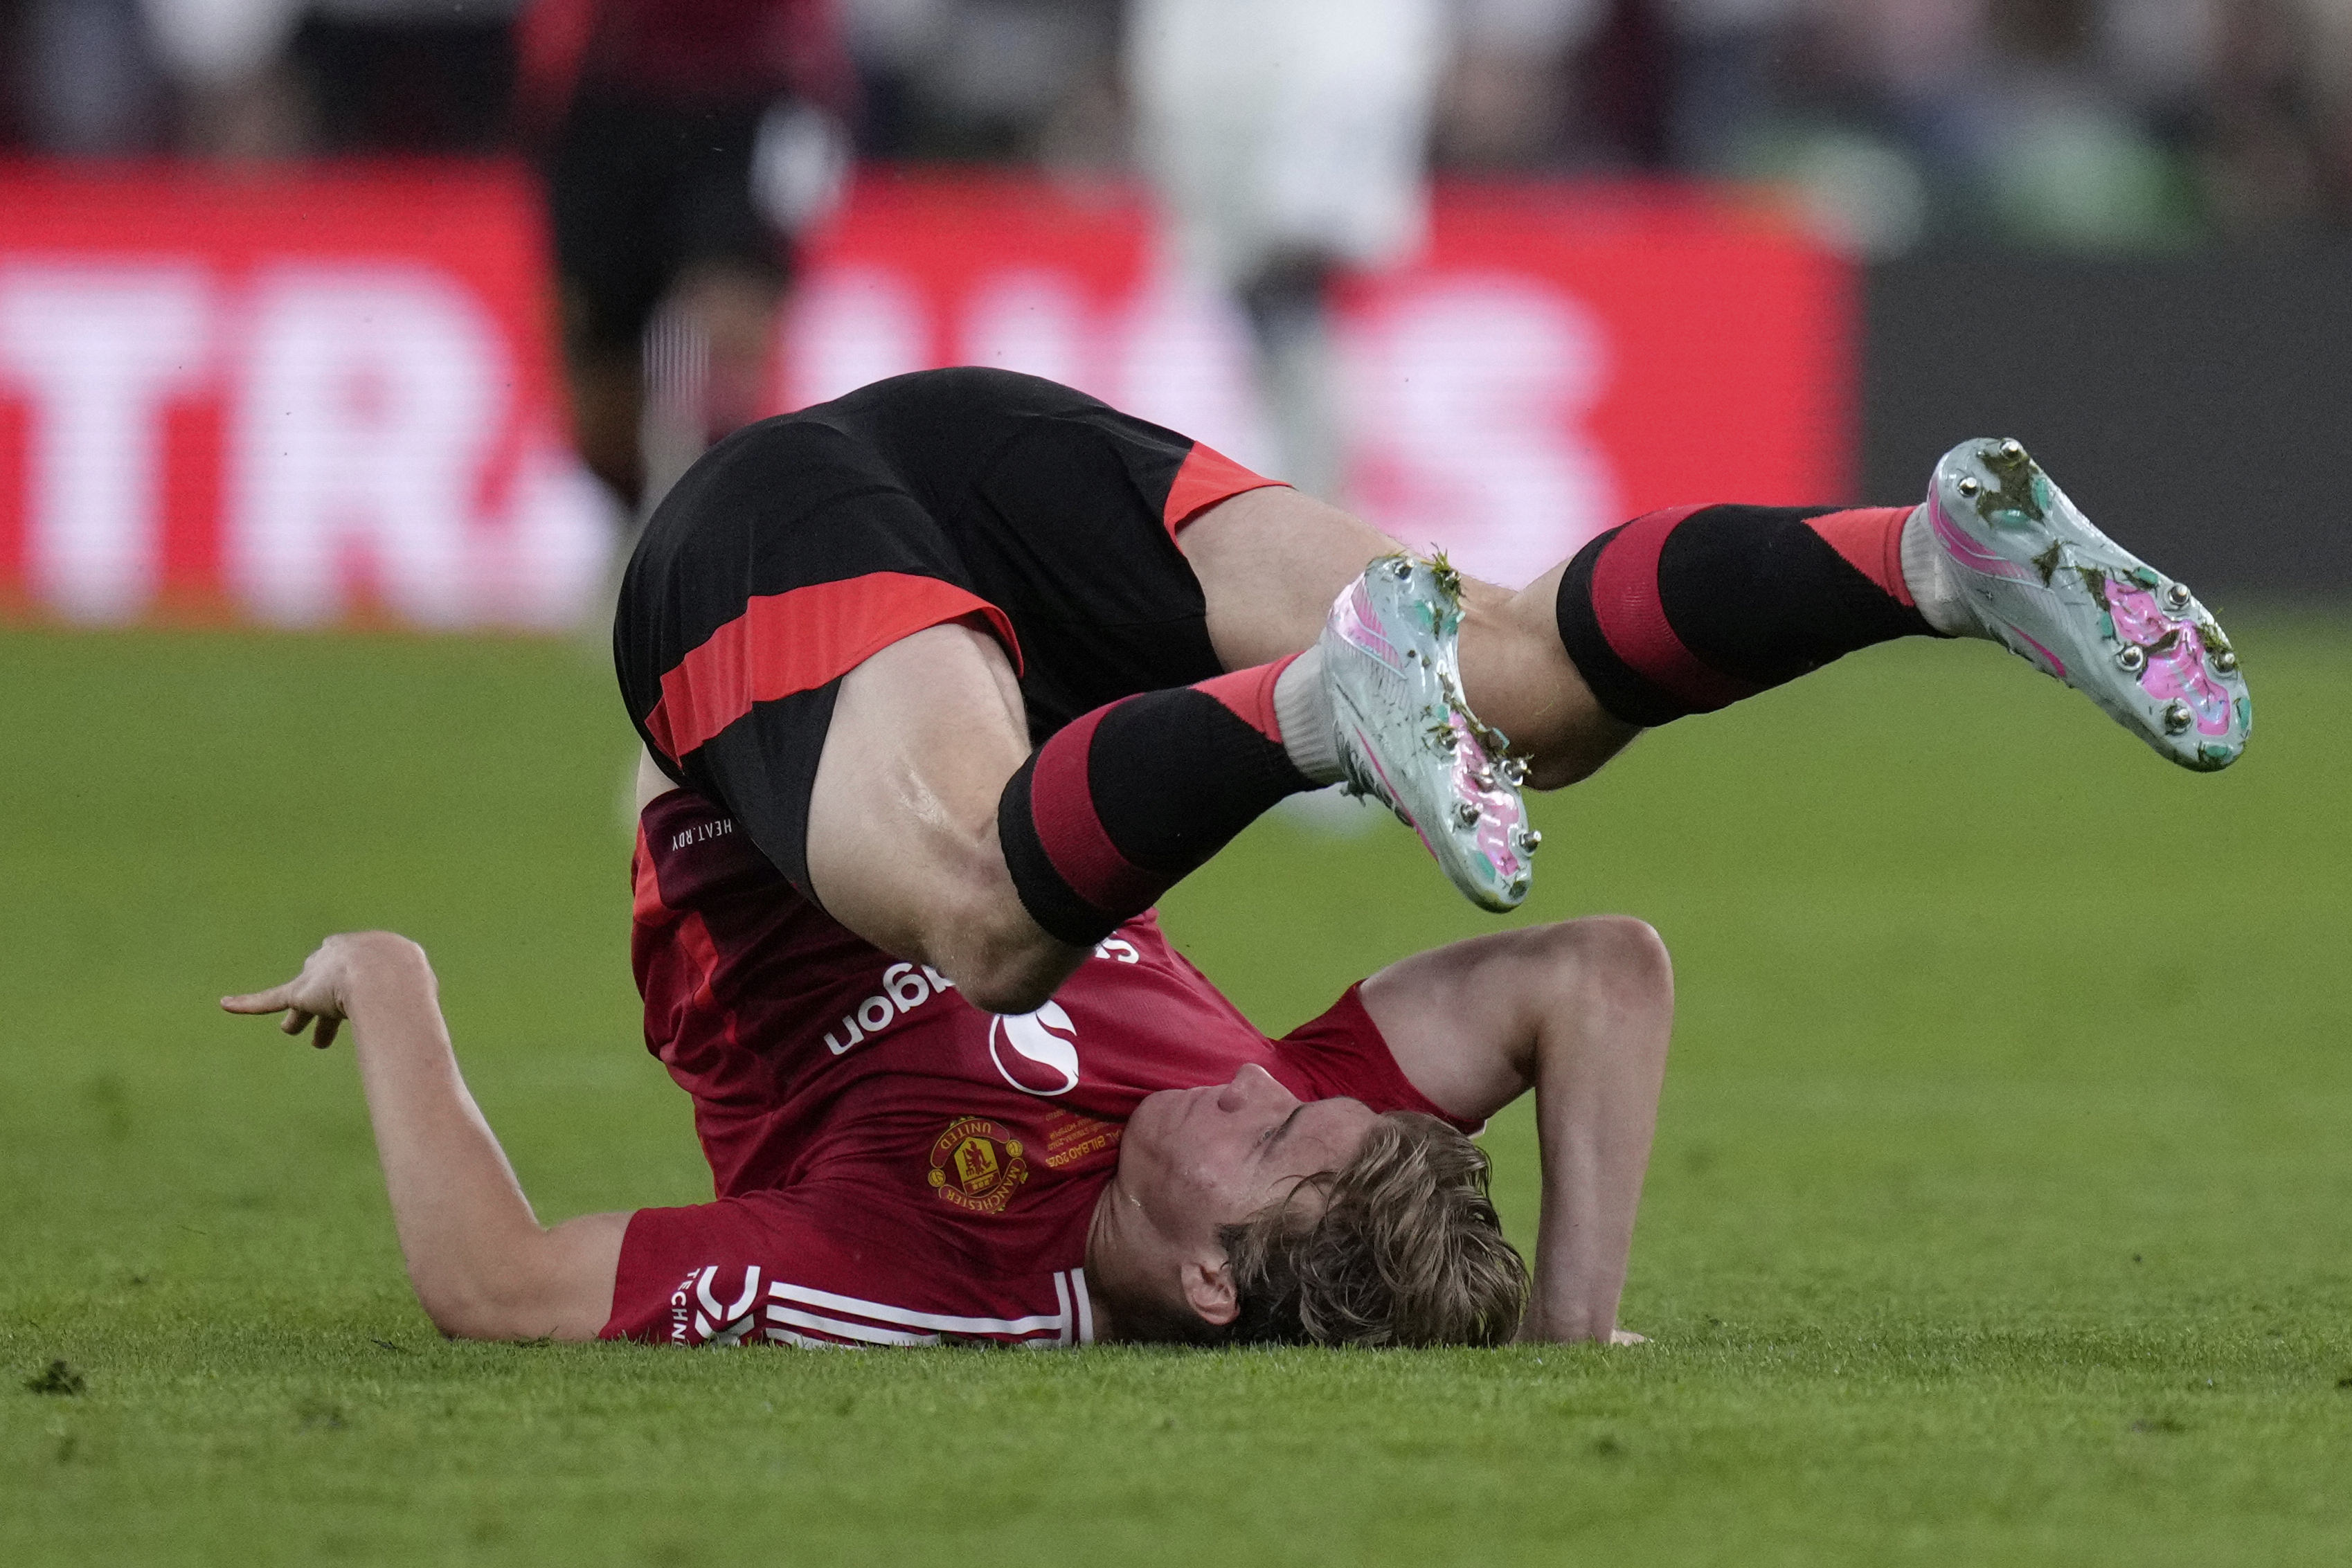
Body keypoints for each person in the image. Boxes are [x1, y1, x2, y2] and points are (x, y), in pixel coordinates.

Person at [610, 367, 2250, 1028]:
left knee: (982, 912)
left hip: (744, 536)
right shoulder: (1230, 1113)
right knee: (1523, 672)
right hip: (970, 434)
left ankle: (1329, 702)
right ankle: (1926, 556)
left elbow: (509, 1278)